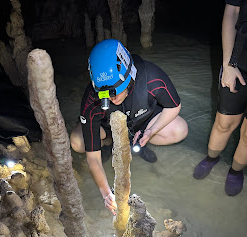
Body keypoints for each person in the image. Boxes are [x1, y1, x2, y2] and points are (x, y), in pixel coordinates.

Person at [70, 39, 188, 215]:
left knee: (180, 129)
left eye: (117, 91)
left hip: (143, 121)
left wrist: (151, 131)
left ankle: (140, 141)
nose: (113, 98)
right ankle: (109, 143)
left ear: (130, 76)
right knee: (77, 142)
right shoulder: (91, 98)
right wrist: (106, 194)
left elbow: (174, 106)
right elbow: (93, 158)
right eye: (106, 93)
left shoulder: (151, 76)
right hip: (107, 128)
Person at [193, 0, 247, 196]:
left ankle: (236, 170)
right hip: (240, 61)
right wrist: (229, 64)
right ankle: (211, 158)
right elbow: (232, 11)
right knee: (223, 123)